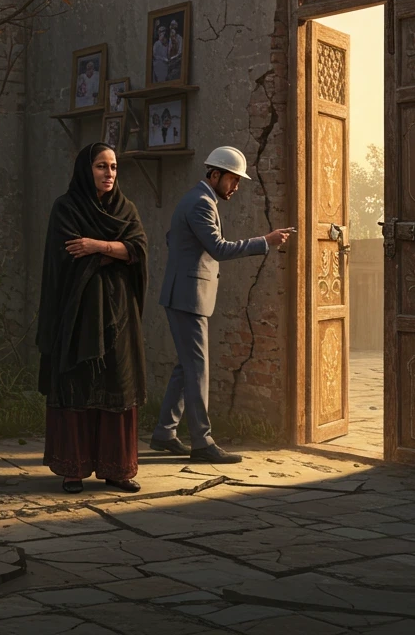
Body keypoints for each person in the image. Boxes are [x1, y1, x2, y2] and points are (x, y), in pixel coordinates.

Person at [149, 146, 295, 464]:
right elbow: (219, 248)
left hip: (185, 294)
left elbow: (173, 238)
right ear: (214, 175)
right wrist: (264, 241)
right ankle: (202, 442)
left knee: (184, 367)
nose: (236, 187)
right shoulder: (201, 203)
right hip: (188, 298)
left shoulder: (197, 199)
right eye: (232, 179)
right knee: (197, 369)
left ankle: (164, 432)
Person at [36, 143, 149, 494]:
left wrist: (98, 246)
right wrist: (117, 251)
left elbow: (139, 249)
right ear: (87, 170)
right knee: (78, 384)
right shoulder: (66, 208)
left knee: (118, 385)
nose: (109, 174)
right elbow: (68, 254)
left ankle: (118, 470)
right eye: (102, 166)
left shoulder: (125, 209)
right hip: (78, 314)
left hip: (119, 315)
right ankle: (74, 469)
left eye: (114, 167)